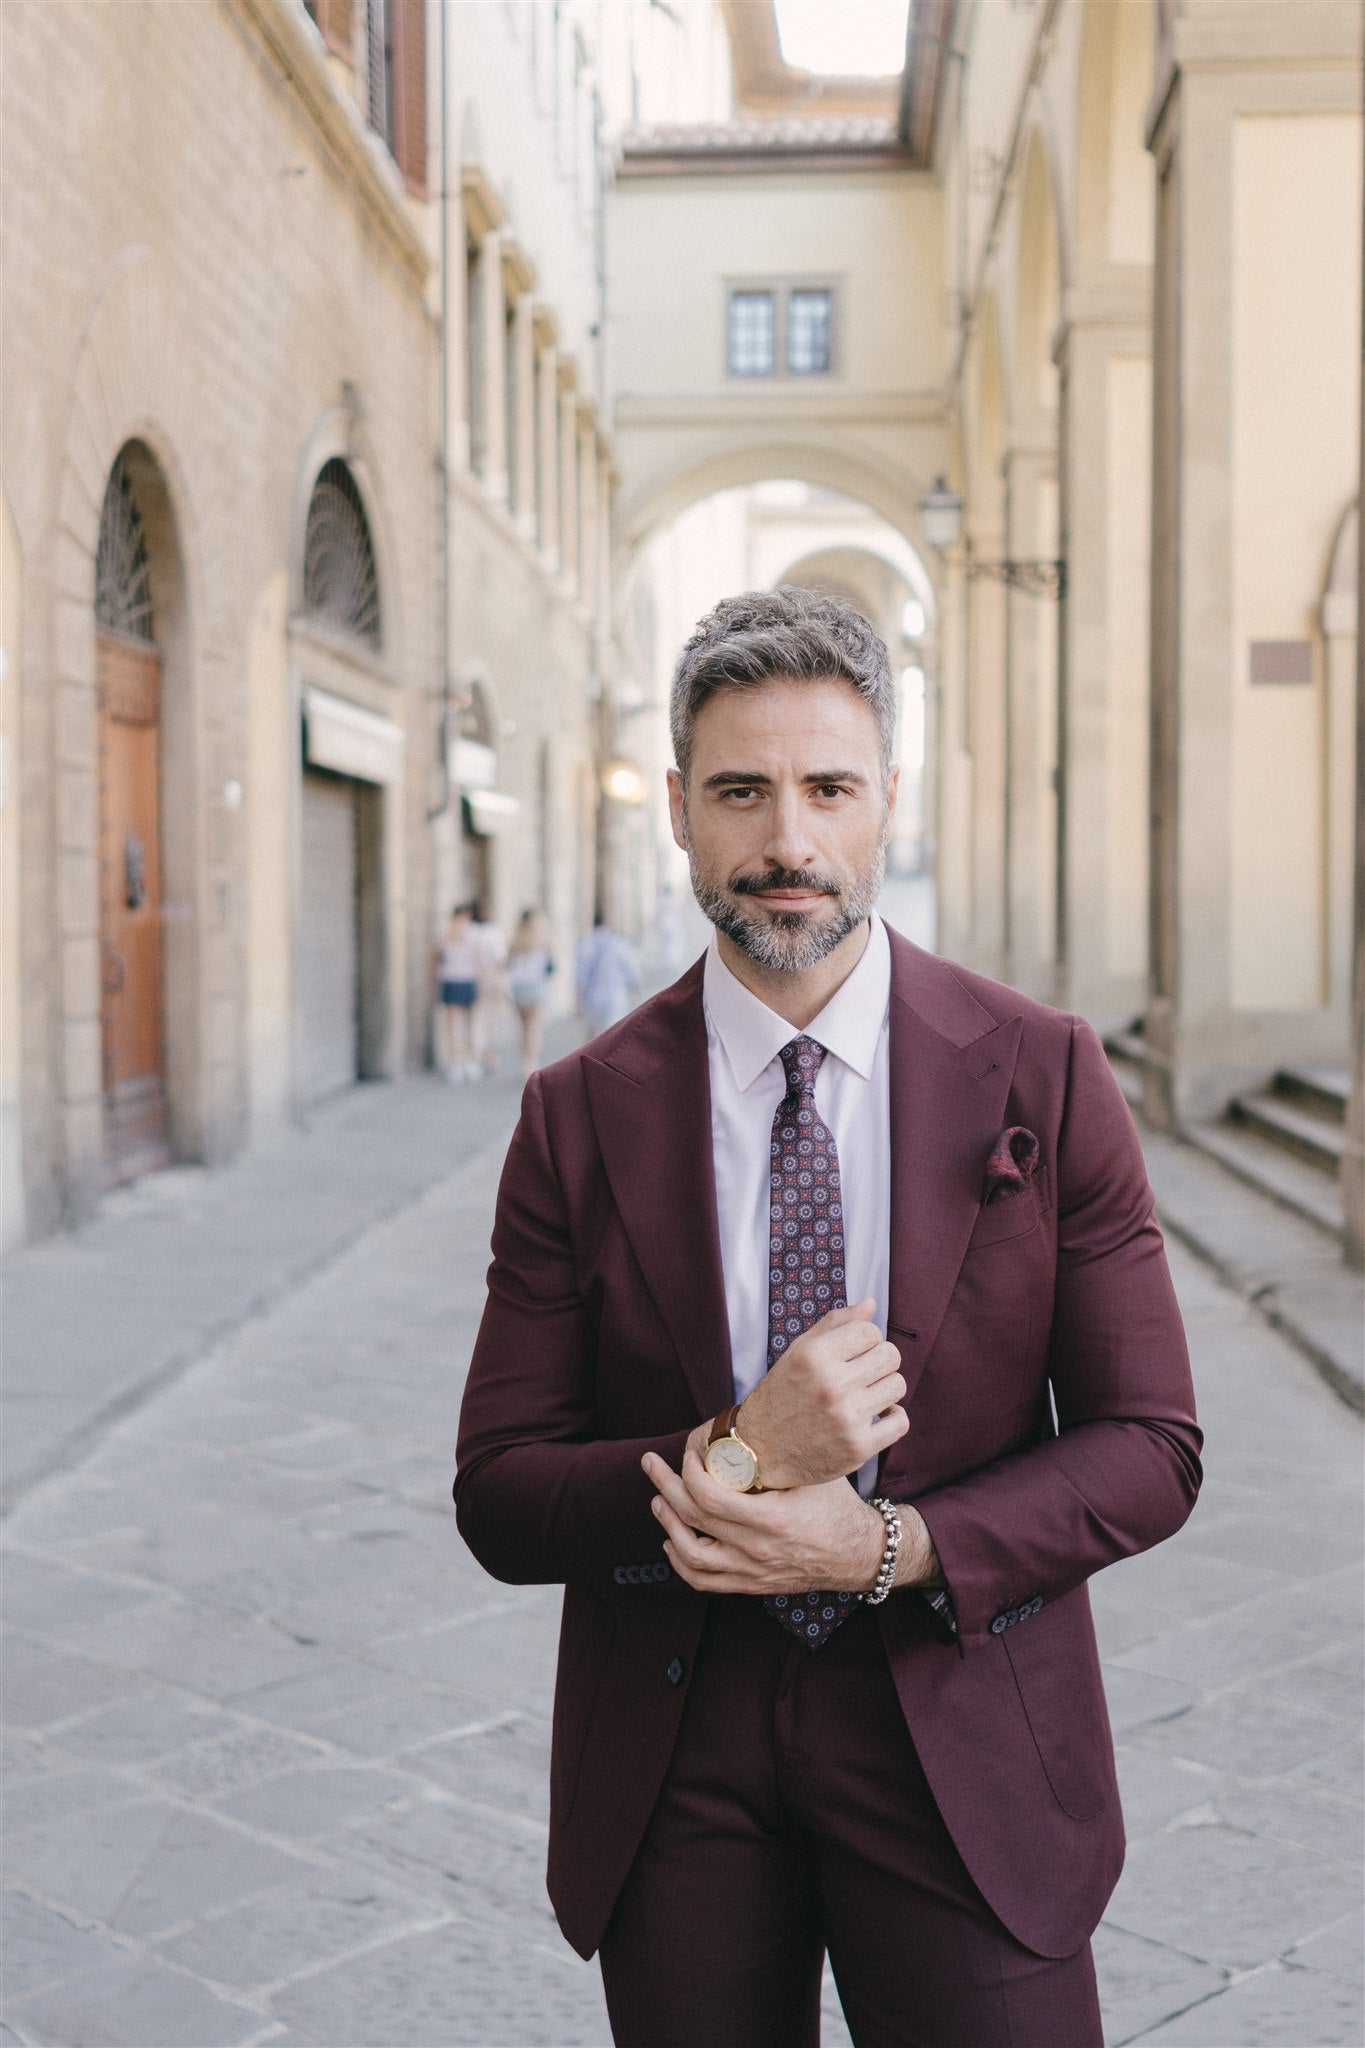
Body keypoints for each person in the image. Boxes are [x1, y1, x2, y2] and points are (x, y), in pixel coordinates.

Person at [455, 587, 1201, 2048]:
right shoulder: (576, 1114)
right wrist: (737, 1455)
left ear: (884, 804)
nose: (786, 842)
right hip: (678, 1756)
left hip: (964, 1730)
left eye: (827, 789)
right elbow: (500, 1495)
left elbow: (1150, 1447)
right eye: (741, 790)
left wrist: (887, 1545)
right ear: (678, 807)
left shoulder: (1041, 1075)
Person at [434, 902, 482, 1082]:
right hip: (469, 980)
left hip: (451, 981)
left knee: (453, 1026)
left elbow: (437, 961)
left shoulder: (444, 933)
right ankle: (470, 1062)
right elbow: (479, 961)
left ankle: (456, 1064)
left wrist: (435, 982)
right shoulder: (474, 933)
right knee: (471, 1023)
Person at [506, 907, 553, 1076]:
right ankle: (531, 1062)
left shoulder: (515, 942)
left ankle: (526, 1061)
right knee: (534, 1028)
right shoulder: (542, 941)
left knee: (524, 1027)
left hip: (519, 988)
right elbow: (550, 967)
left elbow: (508, 965)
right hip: (536, 987)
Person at [575, 914, 640, 1036]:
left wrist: (578, 1002)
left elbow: (580, 976)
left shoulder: (586, 943)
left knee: (593, 1040)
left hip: (592, 1000)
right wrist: (635, 988)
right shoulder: (619, 943)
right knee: (612, 1038)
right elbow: (632, 970)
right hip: (616, 998)